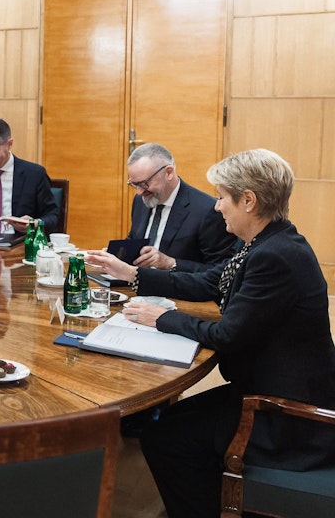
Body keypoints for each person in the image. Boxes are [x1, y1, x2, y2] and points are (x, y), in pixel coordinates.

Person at [86, 149, 335, 518]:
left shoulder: (274, 256)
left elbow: (226, 336)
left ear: (248, 200)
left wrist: (161, 319)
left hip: (283, 414)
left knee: (165, 439)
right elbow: (209, 281)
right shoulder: (265, 241)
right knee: (166, 425)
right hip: (263, 387)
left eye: (222, 197)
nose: (216, 206)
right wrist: (134, 275)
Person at [123, 143, 235, 272]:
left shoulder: (207, 211)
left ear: (168, 173)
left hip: (178, 290)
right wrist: (116, 255)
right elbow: (134, 239)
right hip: (136, 285)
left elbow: (220, 271)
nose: (139, 192)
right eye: (134, 184)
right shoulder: (141, 201)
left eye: (144, 183)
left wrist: (171, 263)